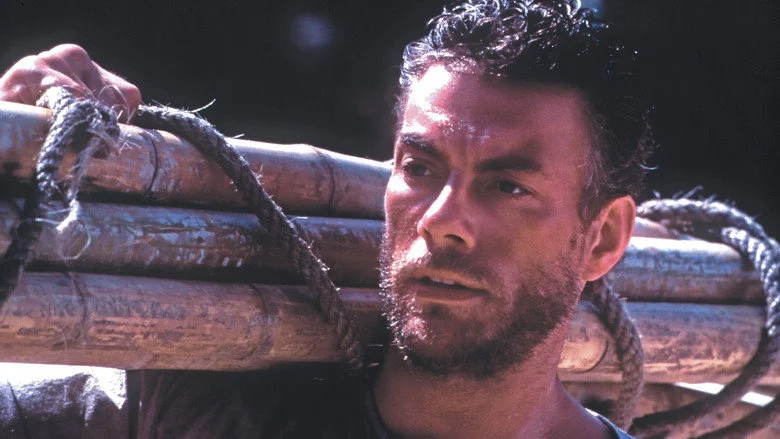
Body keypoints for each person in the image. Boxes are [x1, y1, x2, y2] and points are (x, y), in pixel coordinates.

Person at [0, 1, 653, 437]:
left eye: (507, 186)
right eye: (420, 168)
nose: (442, 220)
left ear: (602, 239)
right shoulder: (186, 411)